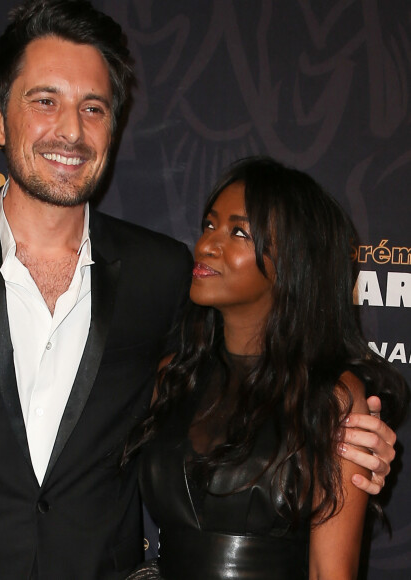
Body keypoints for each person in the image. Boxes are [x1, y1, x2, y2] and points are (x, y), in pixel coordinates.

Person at [0, 1, 398, 578]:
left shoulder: (162, 273)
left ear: (114, 126)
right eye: (45, 101)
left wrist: (355, 442)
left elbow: (253, 381)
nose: (71, 130)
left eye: (93, 108)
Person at [123, 157, 408, 580]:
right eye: (208, 224)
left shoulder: (333, 398)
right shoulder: (174, 376)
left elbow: (331, 571)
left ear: (292, 263)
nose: (205, 245)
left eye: (238, 232)